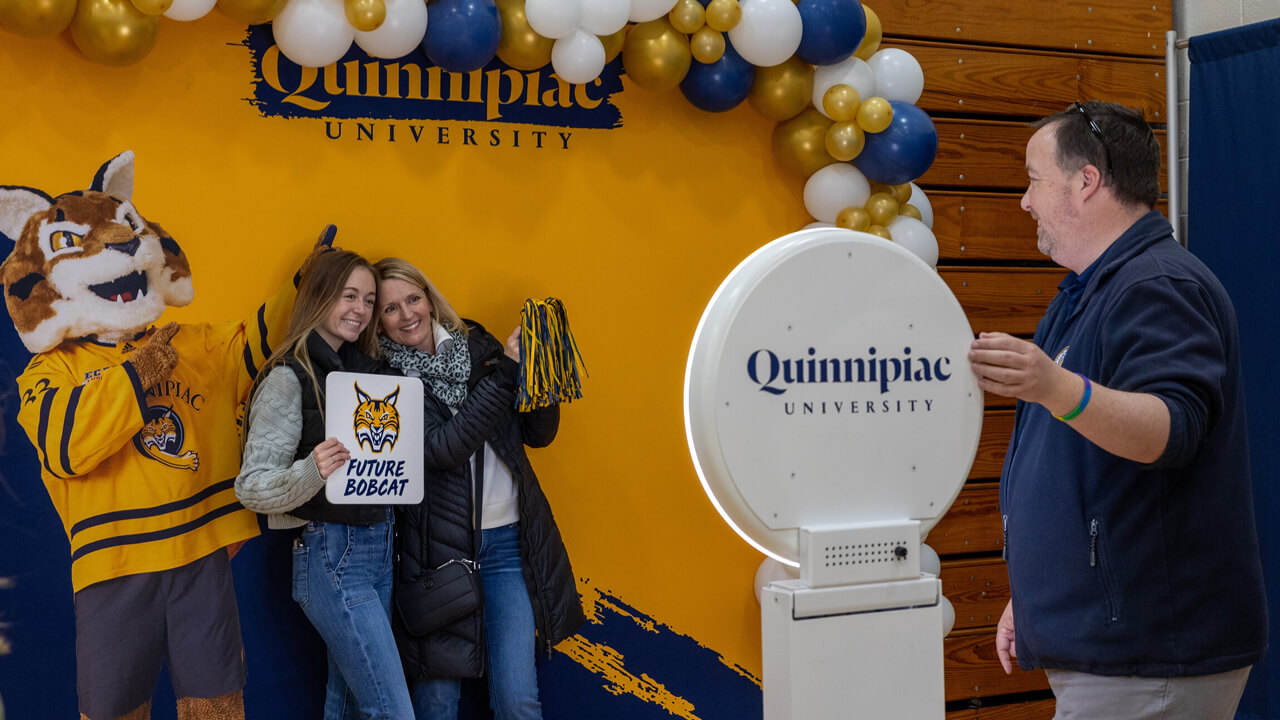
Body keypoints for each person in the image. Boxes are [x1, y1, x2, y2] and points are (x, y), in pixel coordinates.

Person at [968, 101, 1267, 719]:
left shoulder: (1157, 285)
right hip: (1118, 650)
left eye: (1033, 178)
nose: (1024, 201)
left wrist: (1056, 387)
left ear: (1086, 181)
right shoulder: (1090, 292)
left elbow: (1169, 428)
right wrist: (1039, 593)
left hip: (1149, 656)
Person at [374, 257, 585, 720]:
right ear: (379, 323)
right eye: (391, 309)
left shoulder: (481, 348)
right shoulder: (386, 385)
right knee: (437, 705)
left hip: (508, 546)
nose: (407, 314)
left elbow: (537, 434)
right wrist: (507, 374)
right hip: (436, 557)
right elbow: (444, 447)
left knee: (517, 701)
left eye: (413, 299)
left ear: (429, 300)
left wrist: (540, 374)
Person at [235, 249, 413, 720]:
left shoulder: (368, 375)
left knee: (350, 702)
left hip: (379, 551)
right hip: (331, 555)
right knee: (392, 710)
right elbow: (251, 485)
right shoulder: (287, 377)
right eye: (347, 295)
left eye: (369, 300)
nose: (360, 308)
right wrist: (312, 469)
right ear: (319, 296)